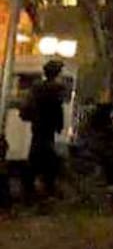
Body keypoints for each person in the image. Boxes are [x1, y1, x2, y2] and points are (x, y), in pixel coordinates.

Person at [18, 59, 67, 200]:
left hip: (40, 128)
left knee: (39, 157)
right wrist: (59, 125)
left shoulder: (38, 88)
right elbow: (56, 110)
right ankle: (41, 188)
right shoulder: (53, 89)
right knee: (44, 158)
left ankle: (34, 187)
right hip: (45, 128)